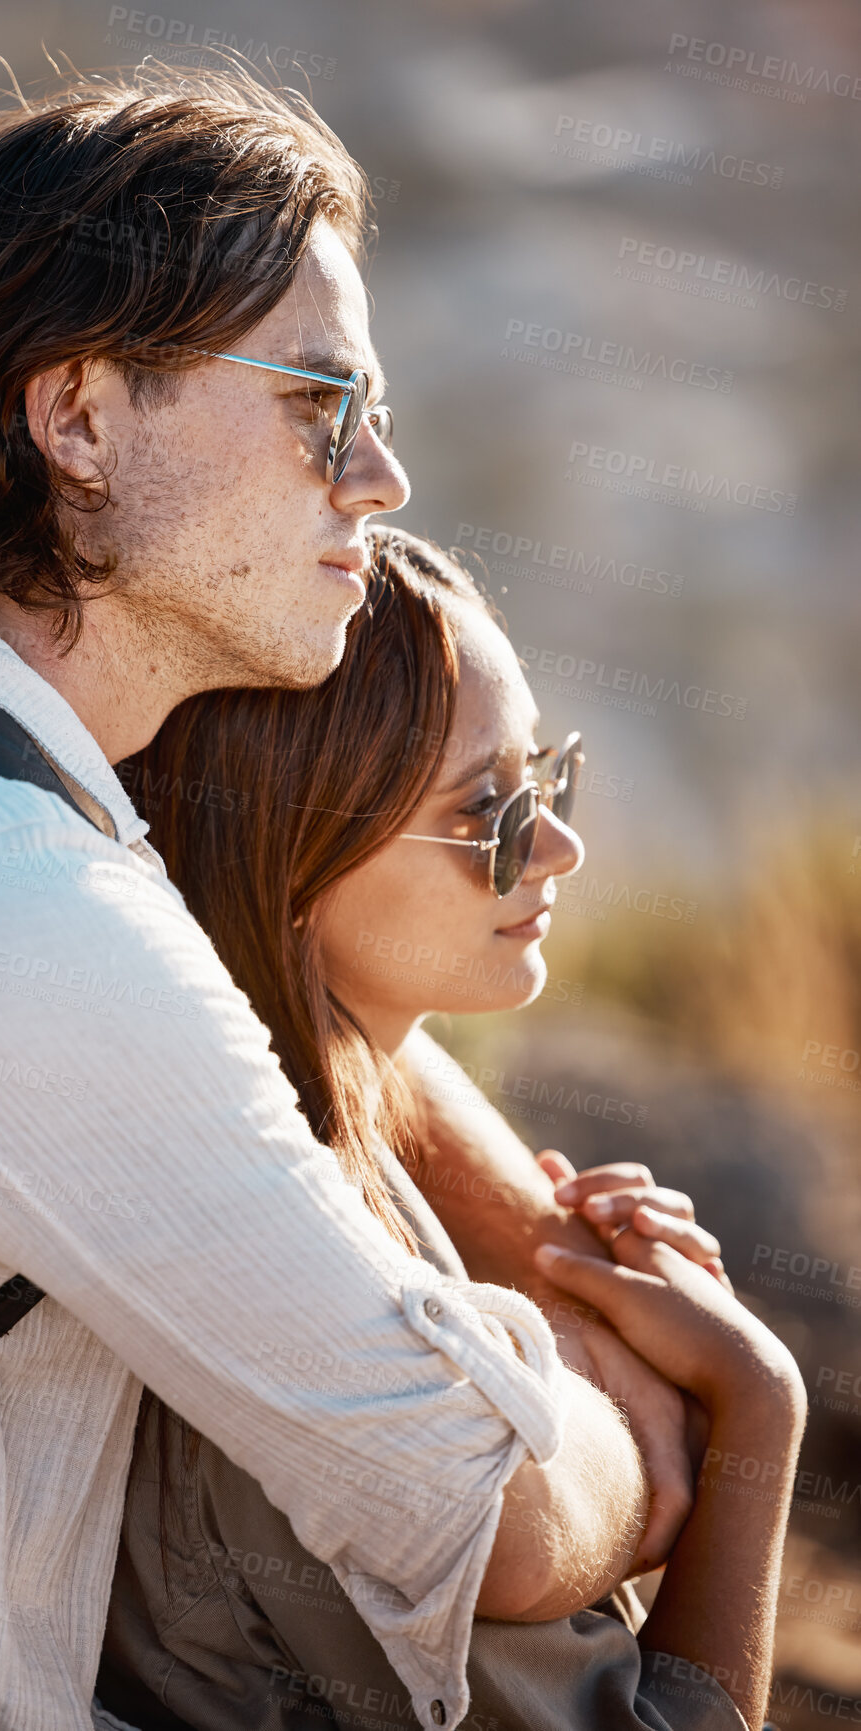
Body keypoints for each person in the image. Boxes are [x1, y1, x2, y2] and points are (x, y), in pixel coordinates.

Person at [0, 67, 673, 1731]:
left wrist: (518, 1221)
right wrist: (659, 1413)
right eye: (322, 406)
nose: (381, 481)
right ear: (75, 418)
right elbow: (491, 1517)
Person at [99, 529, 806, 1731]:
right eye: (490, 811)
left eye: (550, 777)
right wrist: (755, 1409)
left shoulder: (279, 1135)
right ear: (292, 861)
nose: (561, 847)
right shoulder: (353, 1300)